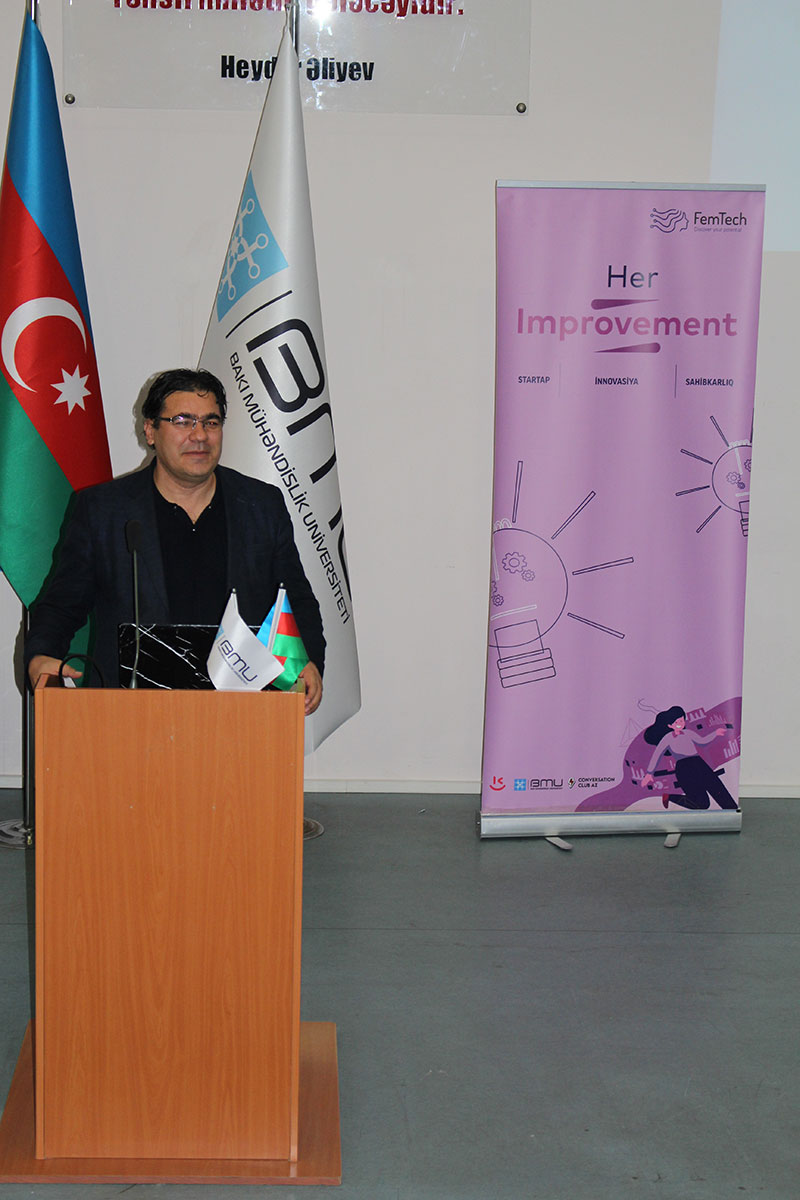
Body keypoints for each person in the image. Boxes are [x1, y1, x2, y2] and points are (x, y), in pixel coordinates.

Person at [25, 368, 324, 714]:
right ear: (150, 431)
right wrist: (41, 655)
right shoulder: (104, 511)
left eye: (211, 422)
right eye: (183, 421)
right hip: (130, 715)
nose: (200, 435)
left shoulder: (261, 505)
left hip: (242, 715)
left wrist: (309, 660)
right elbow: (62, 604)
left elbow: (296, 599)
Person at [640, 705, 736, 810]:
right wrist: (649, 773)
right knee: (702, 804)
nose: (680, 724)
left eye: (682, 720)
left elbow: (702, 741)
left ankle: (731, 811)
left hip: (699, 763)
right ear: (670, 725)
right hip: (684, 769)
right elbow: (657, 754)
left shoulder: (689, 733)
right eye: (676, 722)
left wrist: (715, 733)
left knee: (717, 788)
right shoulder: (667, 738)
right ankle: (670, 797)